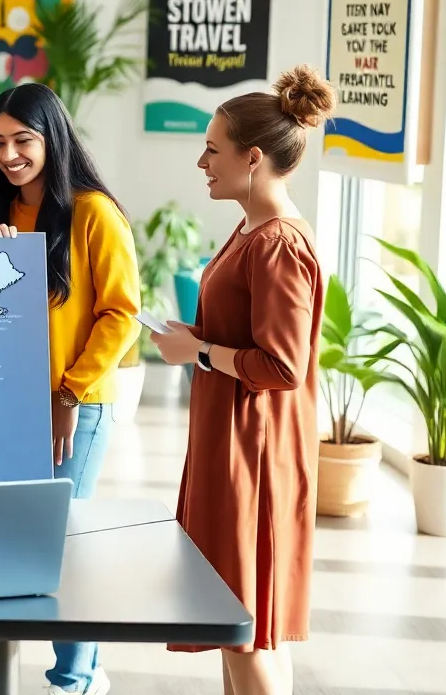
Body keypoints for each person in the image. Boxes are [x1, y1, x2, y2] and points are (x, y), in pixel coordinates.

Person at [149, 65, 334, 695]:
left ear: (252, 157)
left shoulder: (277, 242)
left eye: (211, 148)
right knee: (245, 627)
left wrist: (196, 351)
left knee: (242, 624)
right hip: (233, 444)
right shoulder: (251, 228)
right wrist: (196, 342)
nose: (201, 161)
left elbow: (282, 366)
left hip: (251, 455)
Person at [0, 83, 139, 695]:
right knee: (4, 534)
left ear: (53, 139)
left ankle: (75, 679)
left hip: (78, 406)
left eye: (23, 140)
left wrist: (67, 396)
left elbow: (121, 315)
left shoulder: (94, 212)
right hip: (7, 407)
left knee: (63, 539)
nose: (9, 154)